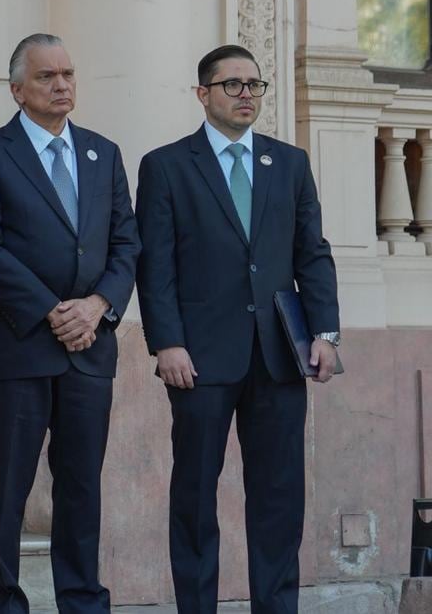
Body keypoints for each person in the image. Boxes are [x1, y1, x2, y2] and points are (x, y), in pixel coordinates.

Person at [136, 44, 340, 614]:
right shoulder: (167, 165)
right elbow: (155, 265)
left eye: (255, 84)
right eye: (233, 85)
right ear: (203, 94)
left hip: (279, 356)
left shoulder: (290, 162)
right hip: (199, 358)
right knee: (196, 496)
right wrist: (166, 341)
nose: (247, 94)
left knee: (279, 499)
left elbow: (313, 254)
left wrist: (326, 333)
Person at [0, 33, 140, 614]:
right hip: (20, 347)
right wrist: (50, 311)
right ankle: (2, 602)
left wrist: (97, 307)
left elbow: (126, 244)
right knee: (7, 489)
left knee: (82, 487)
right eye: (46, 77)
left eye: (68, 74)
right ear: (17, 89)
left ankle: (83, 601)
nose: (62, 85)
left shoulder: (102, 152)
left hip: (90, 346)